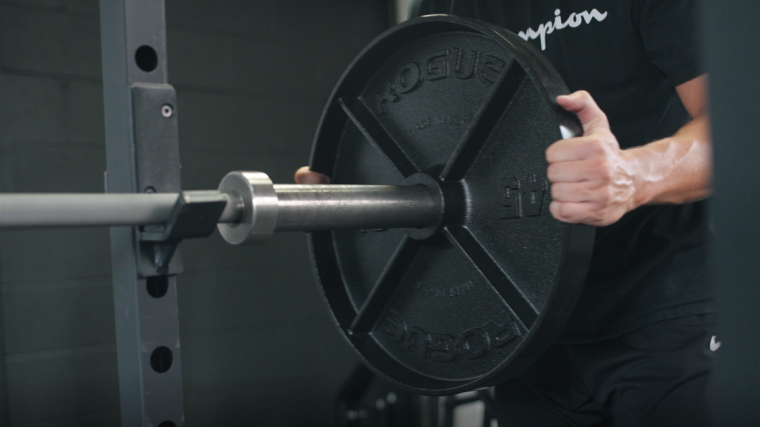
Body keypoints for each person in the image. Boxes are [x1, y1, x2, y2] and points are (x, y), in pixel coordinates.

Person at [297, 0, 714, 425]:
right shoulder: (443, 7)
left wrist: (636, 175)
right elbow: (431, 137)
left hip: (665, 310)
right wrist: (359, 188)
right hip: (526, 334)